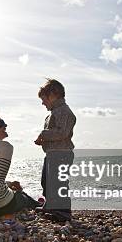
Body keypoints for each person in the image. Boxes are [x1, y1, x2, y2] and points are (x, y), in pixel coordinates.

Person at [34, 79, 77, 221]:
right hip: (52, 153)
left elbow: (62, 132)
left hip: (62, 153)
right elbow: (54, 133)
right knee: (46, 180)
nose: (42, 103)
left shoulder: (64, 111)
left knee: (59, 182)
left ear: (53, 95)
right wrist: (43, 140)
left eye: (44, 99)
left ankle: (63, 210)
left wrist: (43, 135)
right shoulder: (53, 113)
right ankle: (51, 205)